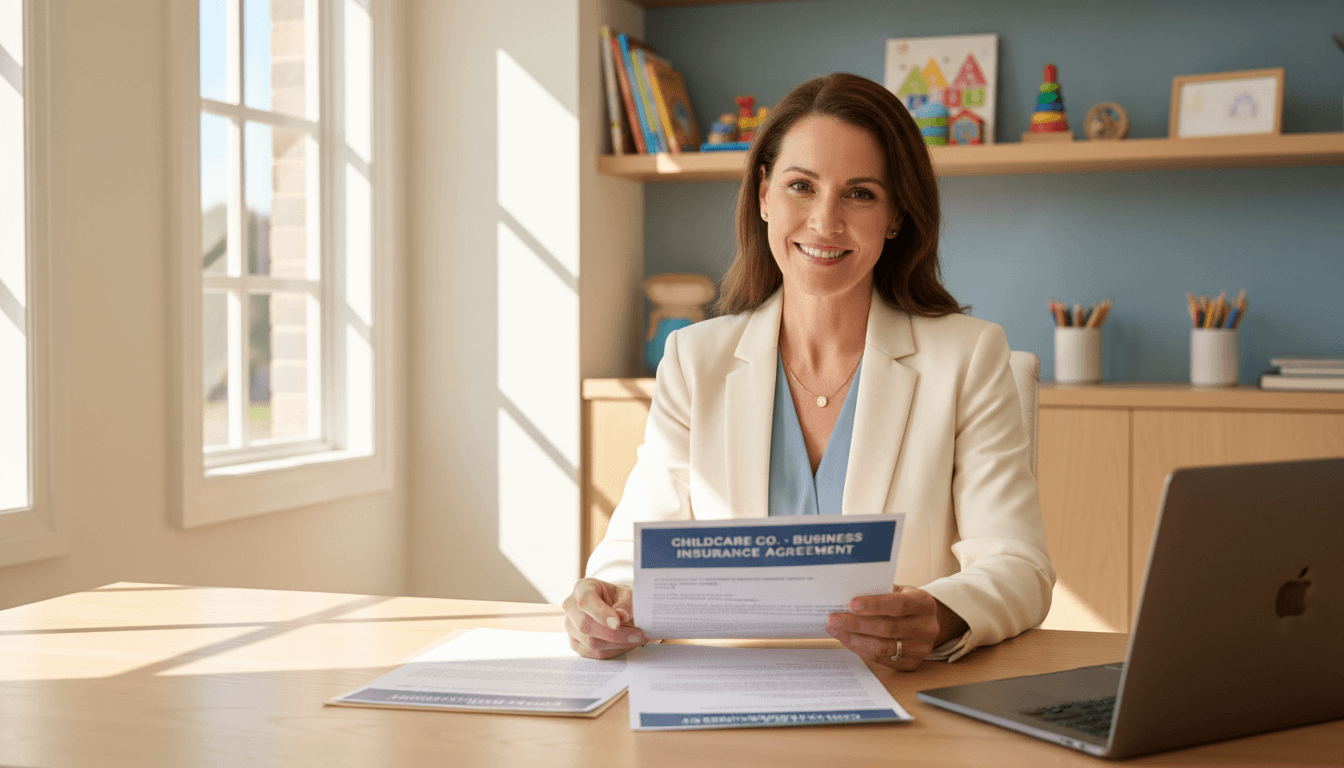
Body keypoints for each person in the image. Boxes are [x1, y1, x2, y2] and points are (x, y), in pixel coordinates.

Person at [564, 73, 1054, 670]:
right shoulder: (695, 360)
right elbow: (634, 555)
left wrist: (940, 612)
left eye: (861, 194)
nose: (826, 222)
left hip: (904, 712)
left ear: (896, 215)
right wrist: (603, 603)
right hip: (732, 707)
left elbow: (1018, 565)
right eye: (802, 186)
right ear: (765, 194)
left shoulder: (968, 357)